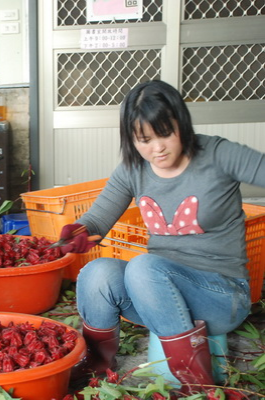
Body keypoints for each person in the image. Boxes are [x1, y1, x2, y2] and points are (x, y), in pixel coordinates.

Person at [58, 80, 263, 394]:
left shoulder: (218, 154)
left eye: (165, 133)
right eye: (144, 139)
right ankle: (95, 370)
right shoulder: (133, 168)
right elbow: (98, 218)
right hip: (156, 296)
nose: (157, 148)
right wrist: (78, 234)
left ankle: (196, 386)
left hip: (221, 296)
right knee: (96, 272)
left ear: (182, 123)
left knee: (143, 266)